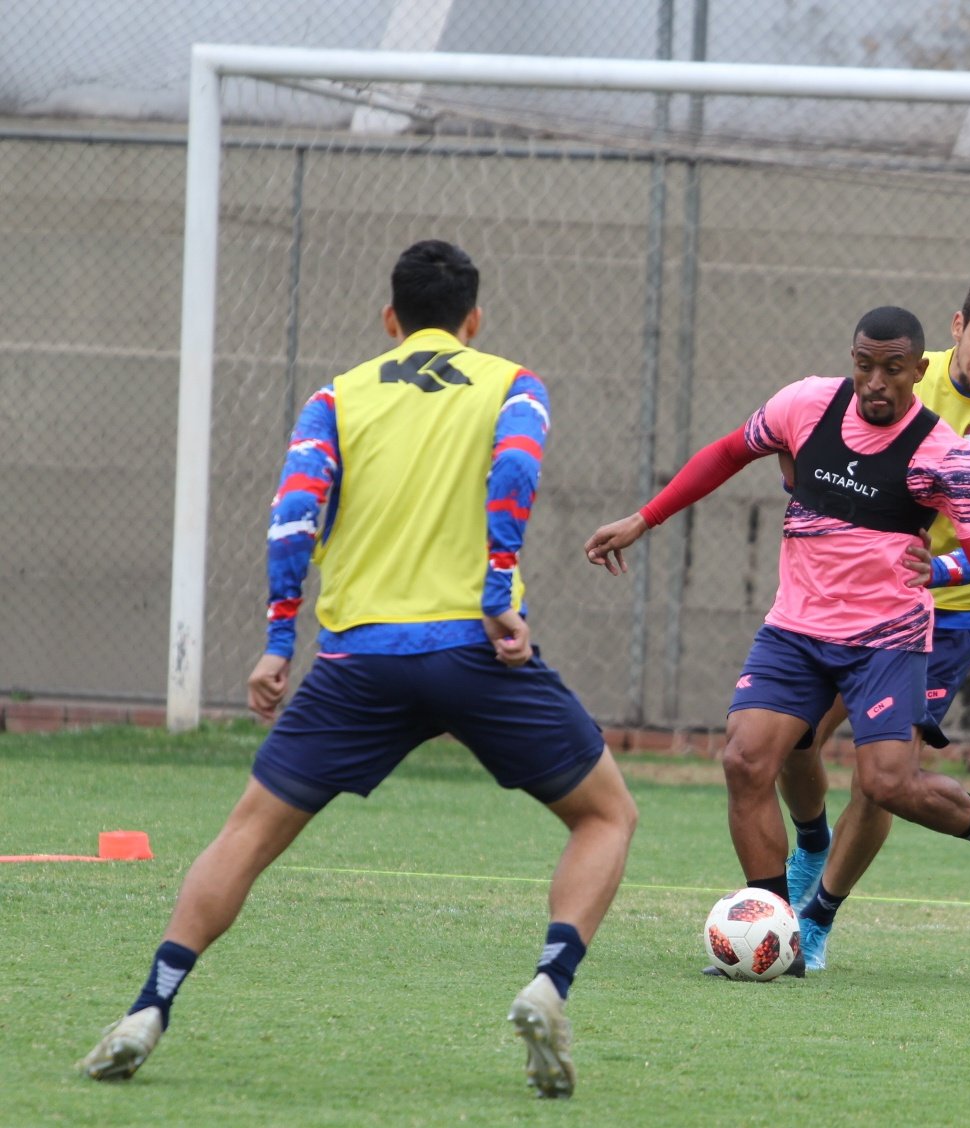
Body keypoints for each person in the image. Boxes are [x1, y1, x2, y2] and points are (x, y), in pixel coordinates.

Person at [79, 240, 638, 1099]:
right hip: (471, 648)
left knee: (246, 835)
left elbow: (293, 513)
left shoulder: (336, 396)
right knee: (605, 815)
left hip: (355, 659)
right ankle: (547, 986)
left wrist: (277, 637)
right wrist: (496, 590)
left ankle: (149, 1007)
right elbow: (516, 472)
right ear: (473, 320)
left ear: (390, 319)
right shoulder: (512, 383)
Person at [584, 303, 970, 975]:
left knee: (887, 784)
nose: (874, 383)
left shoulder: (943, 455)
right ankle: (778, 934)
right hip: (797, 630)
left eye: (892, 370)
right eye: (863, 366)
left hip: (887, 639)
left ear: (916, 371)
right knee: (746, 760)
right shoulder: (804, 404)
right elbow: (726, 453)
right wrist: (644, 517)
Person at [777, 267, 970, 969]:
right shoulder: (893, 372)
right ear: (958, 328)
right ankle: (810, 844)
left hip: (940, 619)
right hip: (849, 601)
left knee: (883, 776)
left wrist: (936, 572)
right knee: (791, 738)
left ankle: (815, 922)